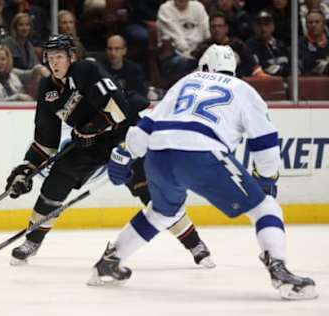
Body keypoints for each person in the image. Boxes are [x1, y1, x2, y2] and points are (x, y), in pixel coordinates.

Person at [88, 44, 318, 301]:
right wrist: (267, 178)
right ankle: (279, 268)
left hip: (158, 154)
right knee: (266, 208)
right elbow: (264, 140)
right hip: (201, 152)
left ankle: (110, 262)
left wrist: (125, 153)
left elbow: (148, 123)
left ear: (204, 66)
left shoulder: (186, 81)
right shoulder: (243, 89)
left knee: (163, 212)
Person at [4, 34, 213, 268]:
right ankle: (32, 241)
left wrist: (90, 128)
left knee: (152, 195)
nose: (55, 63)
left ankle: (195, 243)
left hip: (124, 135)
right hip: (90, 143)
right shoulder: (47, 90)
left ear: (71, 57)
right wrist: (26, 168)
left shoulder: (86, 69)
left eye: (60, 57)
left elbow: (118, 107)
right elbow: (45, 139)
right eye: (50, 57)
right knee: (55, 182)